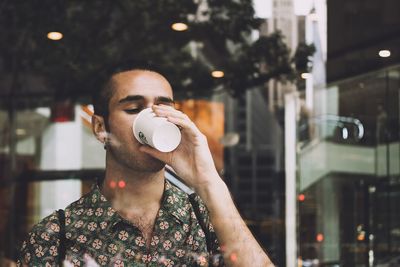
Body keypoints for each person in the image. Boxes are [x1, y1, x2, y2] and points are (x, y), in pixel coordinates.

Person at [17, 69, 274, 266]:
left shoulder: (209, 221)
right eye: (133, 108)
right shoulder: (55, 237)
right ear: (100, 128)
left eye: (163, 108)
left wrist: (209, 182)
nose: (152, 118)